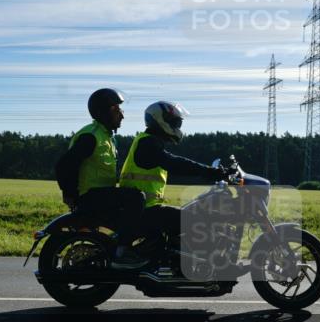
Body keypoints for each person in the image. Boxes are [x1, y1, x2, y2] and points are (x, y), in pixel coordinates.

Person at [55, 88, 146, 269]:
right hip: (90, 196)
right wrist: (69, 194)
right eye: (116, 110)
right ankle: (123, 253)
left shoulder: (106, 137)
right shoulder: (91, 136)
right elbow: (64, 165)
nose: (122, 115)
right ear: (103, 112)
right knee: (136, 197)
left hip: (100, 195)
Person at [119, 101, 226, 252]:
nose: (177, 127)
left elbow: (172, 162)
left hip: (145, 207)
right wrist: (208, 171)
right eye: (175, 123)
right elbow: (174, 163)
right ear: (160, 120)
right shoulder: (147, 143)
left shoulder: (149, 141)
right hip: (144, 209)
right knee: (196, 221)